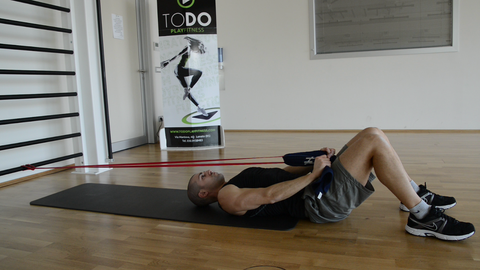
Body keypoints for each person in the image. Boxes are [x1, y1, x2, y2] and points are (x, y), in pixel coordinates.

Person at [187, 127, 475, 241]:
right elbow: (271, 195)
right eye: (202, 176)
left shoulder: (236, 181)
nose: (207, 171)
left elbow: (282, 175)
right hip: (318, 203)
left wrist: (315, 161)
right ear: (204, 192)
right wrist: (313, 176)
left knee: (374, 133)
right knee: (373, 141)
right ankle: (422, 216)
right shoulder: (226, 197)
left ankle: (413, 195)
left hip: (315, 186)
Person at [160, 36, 208, 116]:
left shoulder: (191, 49)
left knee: (187, 92)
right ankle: (190, 88)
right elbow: (178, 55)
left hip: (177, 71)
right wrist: (168, 62)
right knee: (198, 73)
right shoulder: (188, 48)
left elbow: (202, 52)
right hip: (180, 69)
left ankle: (199, 107)